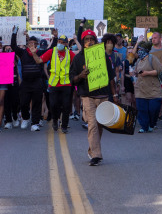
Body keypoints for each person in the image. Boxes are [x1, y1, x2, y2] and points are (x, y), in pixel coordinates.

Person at [70, 29, 117, 166]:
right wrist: (80, 76)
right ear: (83, 43)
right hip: (87, 96)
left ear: (96, 41)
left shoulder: (103, 56)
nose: (89, 42)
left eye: (92, 39)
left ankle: (92, 149)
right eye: (86, 40)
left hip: (103, 95)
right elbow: (72, 78)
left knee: (100, 125)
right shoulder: (78, 58)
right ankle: (96, 155)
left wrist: (114, 95)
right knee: (92, 124)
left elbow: (111, 77)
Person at [12, 27, 45, 131]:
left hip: (37, 82)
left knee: (36, 103)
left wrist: (56, 37)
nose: (33, 45)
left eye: (35, 43)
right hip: (26, 83)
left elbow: (52, 48)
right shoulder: (22, 53)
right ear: (27, 44)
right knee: (23, 103)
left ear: (37, 44)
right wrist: (14, 33)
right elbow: (13, 46)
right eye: (31, 43)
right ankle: (25, 118)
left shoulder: (40, 53)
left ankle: (35, 123)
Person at [40, 35, 75, 133]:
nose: (60, 43)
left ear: (66, 44)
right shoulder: (52, 51)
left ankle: (64, 125)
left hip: (66, 84)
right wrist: (34, 53)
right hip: (53, 84)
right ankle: (55, 120)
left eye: (62, 42)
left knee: (66, 106)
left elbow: (78, 62)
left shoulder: (69, 53)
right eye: (59, 41)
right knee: (53, 105)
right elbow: (39, 60)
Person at [134, 43, 162, 133]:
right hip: (141, 89)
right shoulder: (139, 60)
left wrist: (147, 73)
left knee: (153, 109)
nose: (139, 51)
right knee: (142, 109)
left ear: (145, 50)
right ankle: (144, 126)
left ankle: (152, 124)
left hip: (153, 89)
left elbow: (158, 71)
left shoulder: (152, 58)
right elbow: (136, 71)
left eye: (141, 49)